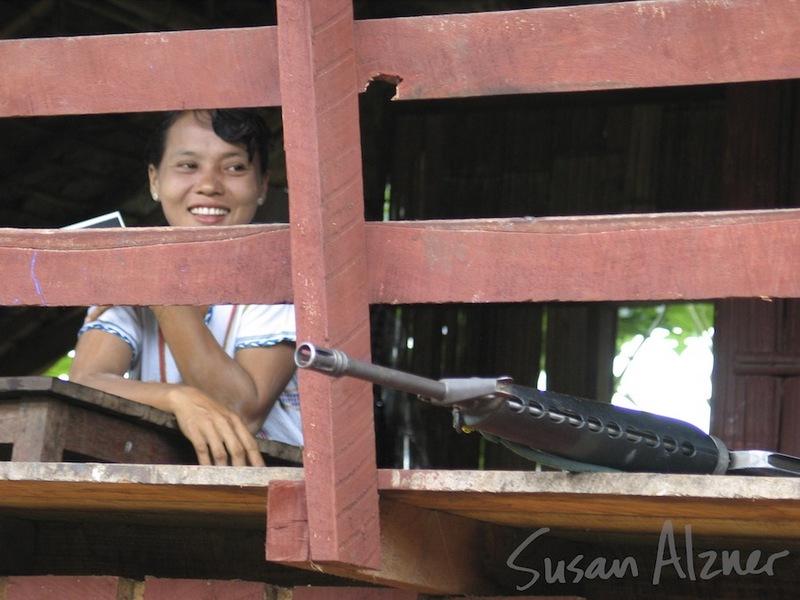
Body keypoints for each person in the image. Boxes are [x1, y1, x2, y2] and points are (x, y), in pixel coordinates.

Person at [69, 109, 301, 467]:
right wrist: (178, 397)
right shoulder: (128, 268)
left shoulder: (279, 276)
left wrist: (159, 294)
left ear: (262, 185)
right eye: (188, 166)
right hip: (161, 481)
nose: (209, 184)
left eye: (235, 167)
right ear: (154, 180)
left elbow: (244, 411)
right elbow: (87, 380)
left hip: (271, 482)